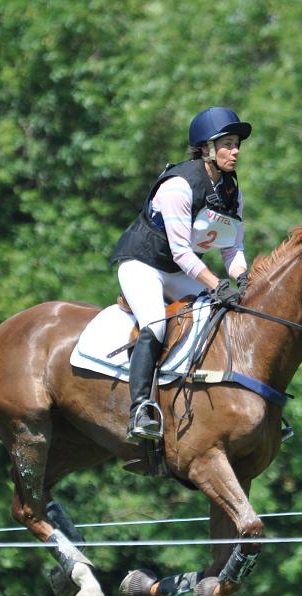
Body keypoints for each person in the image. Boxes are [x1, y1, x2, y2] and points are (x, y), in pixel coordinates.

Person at [111, 106, 252, 442]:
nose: (235, 151)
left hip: (177, 271)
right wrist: (217, 284)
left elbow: (231, 249)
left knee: (225, 315)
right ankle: (141, 408)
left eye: (236, 145)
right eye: (228, 144)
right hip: (143, 264)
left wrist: (244, 279)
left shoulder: (232, 193)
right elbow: (181, 251)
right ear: (206, 148)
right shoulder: (178, 185)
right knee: (156, 324)